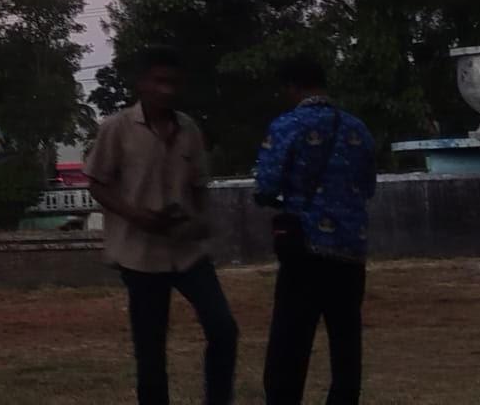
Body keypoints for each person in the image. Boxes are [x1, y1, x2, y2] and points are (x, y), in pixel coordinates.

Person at [84, 46, 239, 405]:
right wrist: (134, 214)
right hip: (141, 255)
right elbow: (96, 183)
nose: (167, 89)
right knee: (151, 350)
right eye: (159, 81)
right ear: (141, 84)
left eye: (173, 82)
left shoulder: (188, 129)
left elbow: (199, 186)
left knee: (223, 329)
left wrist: (200, 222)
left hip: (188, 252)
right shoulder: (117, 128)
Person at [255, 54, 376, 405]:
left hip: (304, 249)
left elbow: (265, 185)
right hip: (351, 251)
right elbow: (368, 186)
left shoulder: (287, 126)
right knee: (346, 344)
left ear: (292, 87)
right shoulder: (358, 129)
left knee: (290, 344)